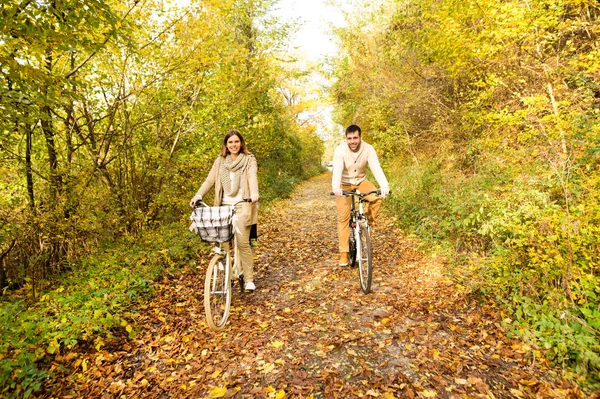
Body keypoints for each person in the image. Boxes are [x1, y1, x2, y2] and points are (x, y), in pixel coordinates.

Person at [190, 129, 259, 291]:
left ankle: (249, 279)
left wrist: (255, 193)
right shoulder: (220, 162)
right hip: (223, 208)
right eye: (230, 142)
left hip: (243, 205)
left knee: (242, 243)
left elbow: (252, 176)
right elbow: (209, 180)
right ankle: (228, 275)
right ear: (226, 145)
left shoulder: (249, 160)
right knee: (222, 243)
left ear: (241, 143)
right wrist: (198, 195)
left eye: (236, 142)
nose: (233, 145)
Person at [332, 124, 389, 266]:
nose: (352, 141)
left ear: (360, 137)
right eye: (349, 139)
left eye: (355, 138)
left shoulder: (368, 149)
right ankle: (344, 254)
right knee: (343, 217)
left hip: (361, 181)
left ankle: (366, 222)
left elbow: (376, 167)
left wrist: (384, 185)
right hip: (344, 184)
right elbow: (337, 169)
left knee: (377, 198)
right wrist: (335, 187)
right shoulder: (340, 150)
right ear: (346, 139)